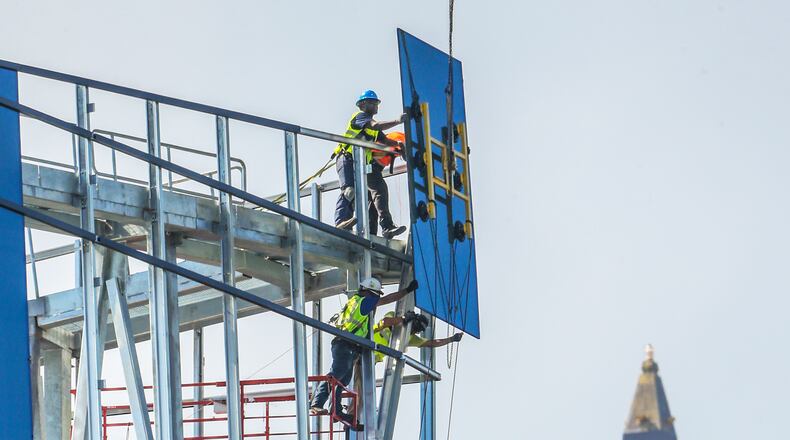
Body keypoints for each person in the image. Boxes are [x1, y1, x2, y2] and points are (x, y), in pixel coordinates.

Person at [310, 276, 418, 418]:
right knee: (336, 375)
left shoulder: (354, 301)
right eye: (374, 295)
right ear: (368, 292)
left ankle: (336, 410)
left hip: (349, 346)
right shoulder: (363, 302)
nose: (375, 299)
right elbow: (387, 299)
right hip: (345, 344)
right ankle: (317, 403)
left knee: (342, 381)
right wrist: (407, 290)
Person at [333, 90, 407, 239]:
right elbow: (375, 125)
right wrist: (397, 121)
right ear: (362, 105)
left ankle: (383, 228)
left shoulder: (373, 128)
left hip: (361, 163)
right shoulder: (360, 118)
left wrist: (398, 145)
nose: (375, 105)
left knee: (374, 193)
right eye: (371, 103)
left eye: (376, 103)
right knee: (349, 190)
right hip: (346, 158)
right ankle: (341, 221)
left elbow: (385, 141)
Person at [372, 311, 463, 364]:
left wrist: (451, 339)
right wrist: (403, 319)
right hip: (368, 343)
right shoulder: (394, 315)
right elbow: (385, 322)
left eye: (417, 330)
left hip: (373, 358)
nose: (414, 331)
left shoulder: (410, 338)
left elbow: (431, 343)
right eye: (415, 328)